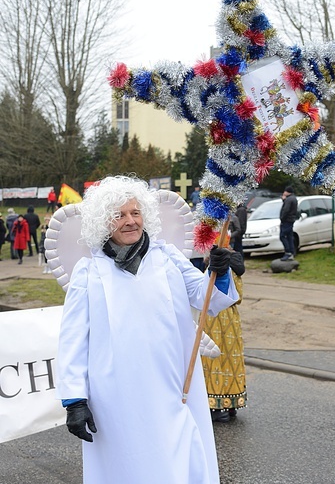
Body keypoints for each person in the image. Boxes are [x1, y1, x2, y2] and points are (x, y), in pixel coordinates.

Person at [56, 175, 240, 484]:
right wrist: (74, 399)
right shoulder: (88, 273)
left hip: (173, 386)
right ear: (105, 222)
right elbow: (73, 339)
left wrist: (219, 272)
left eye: (135, 212)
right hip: (116, 398)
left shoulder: (167, 257)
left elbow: (207, 298)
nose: (130, 221)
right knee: (128, 467)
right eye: (119, 214)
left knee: (178, 463)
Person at [202, 245, 247, 422]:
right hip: (232, 316)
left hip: (215, 315)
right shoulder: (235, 267)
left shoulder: (220, 267)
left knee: (214, 359)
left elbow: (208, 292)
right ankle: (232, 403)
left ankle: (216, 405)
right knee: (232, 359)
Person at [279, 186, 298, 261]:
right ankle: (292, 252)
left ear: (287, 192)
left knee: (282, 236)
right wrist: (284, 200)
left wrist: (282, 219)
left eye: (284, 191)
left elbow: (286, 210)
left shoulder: (289, 200)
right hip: (291, 220)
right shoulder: (293, 198)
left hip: (286, 221)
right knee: (289, 236)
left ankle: (288, 252)